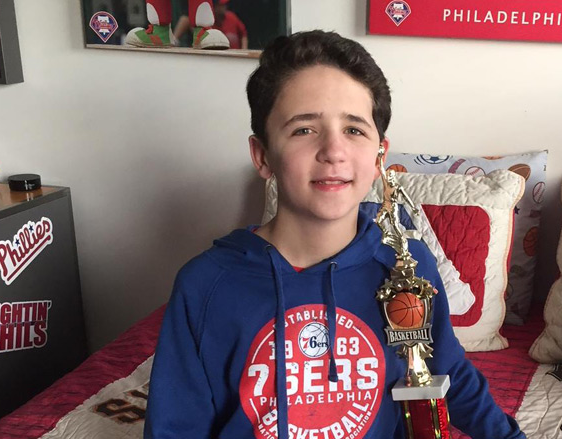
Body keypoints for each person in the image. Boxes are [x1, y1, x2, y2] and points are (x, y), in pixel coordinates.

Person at [144, 30, 525, 439]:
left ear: (380, 154)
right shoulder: (205, 285)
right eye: (304, 130)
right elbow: (175, 427)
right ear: (262, 155)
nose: (334, 151)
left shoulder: (407, 265)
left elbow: (446, 372)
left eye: (355, 130)